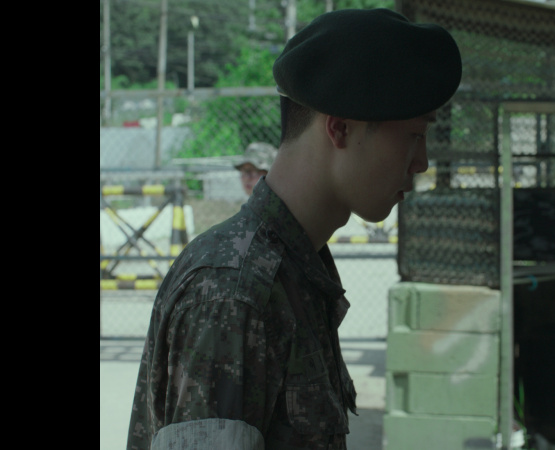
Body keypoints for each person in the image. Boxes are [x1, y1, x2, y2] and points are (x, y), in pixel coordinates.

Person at [126, 8, 461, 450]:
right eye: (413, 136)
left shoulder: (293, 269)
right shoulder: (237, 291)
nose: (422, 163)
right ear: (340, 129)